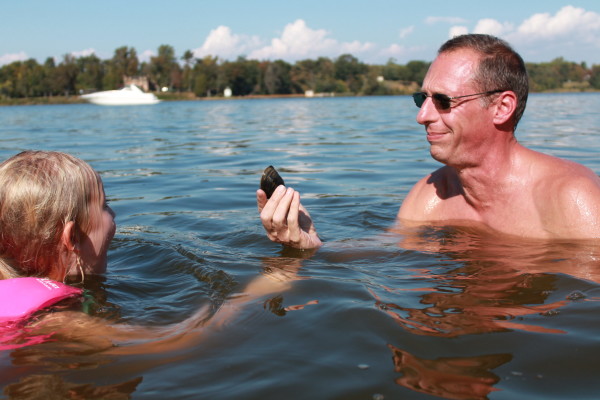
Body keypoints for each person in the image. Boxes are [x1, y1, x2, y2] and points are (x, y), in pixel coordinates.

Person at [257, 34, 600, 248]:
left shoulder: (573, 201)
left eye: (444, 101)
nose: (423, 116)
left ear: (502, 107)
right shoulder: (430, 196)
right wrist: (308, 241)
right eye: (423, 99)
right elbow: (384, 253)